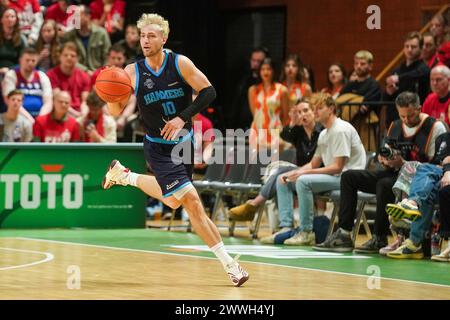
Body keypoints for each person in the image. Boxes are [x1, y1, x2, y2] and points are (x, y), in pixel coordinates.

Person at [100, 13, 249, 287]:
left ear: (163, 38)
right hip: (158, 148)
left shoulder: (179, 63)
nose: (145, 40)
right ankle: (231, 265)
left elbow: (208, 92)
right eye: (142, 36)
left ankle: (124, 176)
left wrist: (183, 117)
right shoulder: (132, 72)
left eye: (151, 36)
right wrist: (109, 92)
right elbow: (115, 110)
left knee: (173, 201)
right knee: (192, 201)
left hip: (185, 145)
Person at [314, 92, 447, 253]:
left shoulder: (435, 127)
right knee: (349, 177)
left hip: (418, 179)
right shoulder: (396, 125)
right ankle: (344, 234)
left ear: (419, 109)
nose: (405, 120)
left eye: (410, 116)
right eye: (402, 116)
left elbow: (435, 166)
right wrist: (384, 160)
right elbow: (384, 152)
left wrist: (403, 163)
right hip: (394, 172)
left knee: (384, 184)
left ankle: (379, 237)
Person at [273, 93, 366, 246]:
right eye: (315, 108)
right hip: (336, 177)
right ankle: (286, 226)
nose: (316, 112)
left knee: (303, 181)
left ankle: (306, 231)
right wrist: (293, 173)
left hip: (348, 178)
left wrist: (303, 173)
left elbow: (338, 167)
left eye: (320, 108)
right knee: (282, 180)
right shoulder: (324, 133)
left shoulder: (340, 129)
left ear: (331, 109)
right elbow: (314, 164)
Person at [228, 98, 323, 225]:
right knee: (281, 176)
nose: (302, 115)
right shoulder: (298, 132)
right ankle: (284, 225)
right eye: (299, 112)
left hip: (318, 171)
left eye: (305, 110)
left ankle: (254, 205)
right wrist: (293, 122)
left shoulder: (322, 132)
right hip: (302, 171)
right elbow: (285, 135)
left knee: (282, 173)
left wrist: (298, 171)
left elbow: (317, 163)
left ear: (314, 112)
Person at [384, 132, 450, 259]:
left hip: (447, 174)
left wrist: (447, 171)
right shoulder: (442, 138)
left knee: (424, 169)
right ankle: (413, 243)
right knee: (426, 188)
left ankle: (410, 207)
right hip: (443, 178)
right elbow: (438, 162)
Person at [383, 32, 430, 127]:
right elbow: (385, 99)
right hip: (394, 119)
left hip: (413, 120)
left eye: (413, 47)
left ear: (421, 49)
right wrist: (388, 92)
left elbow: (417, 74)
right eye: (407, 46)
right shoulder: (397, 69)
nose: (409, 49)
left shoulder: (423, 69)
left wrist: (399, 78)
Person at [337, 50, 381, 151]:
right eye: (356, 63)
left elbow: (364, 107)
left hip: (366, 129)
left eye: (362, 63)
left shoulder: (374, 85)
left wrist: (350, 101)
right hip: (348, 128)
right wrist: (358, 101)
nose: (358, 66)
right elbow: (339, 101)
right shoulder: (349, 85)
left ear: (370, 66)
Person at [248, 57, 289, 151]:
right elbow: (254, 113)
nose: (265, 72)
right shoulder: (252, 90)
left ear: (273, 71)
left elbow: (286, 116)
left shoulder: (282, 90)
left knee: (275, 162)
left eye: (268, 69)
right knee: (258, 163)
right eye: (263, 69)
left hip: (275, 130)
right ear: (259, 71)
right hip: (258, 129)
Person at [2, 47, 53, 120]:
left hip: (40, 116)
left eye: (33, 60)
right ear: (20, 60)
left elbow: (48, 102)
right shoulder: (11, 75)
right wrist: (30, 120)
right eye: (27, 60)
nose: (30, 63)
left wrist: (40, 119)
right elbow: (9, 101)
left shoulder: (42, 76)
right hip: (17, 117)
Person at [47, 41, 91, 118]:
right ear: (60, 56)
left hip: (79, 112)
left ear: (78, 58)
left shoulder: (84, 76)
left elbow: (85, 101)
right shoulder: (51, 75)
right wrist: (75, 115)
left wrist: (83, 114)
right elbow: (58, 99)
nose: (69, 58)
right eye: (65, 55)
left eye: (72, 56)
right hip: (60, 112)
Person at [228, 47, 268, 130]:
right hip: (242, 125)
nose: (256, 63)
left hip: (263, 125)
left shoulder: (268, 82)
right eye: (253, 60)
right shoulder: (243, 78)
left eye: (259, 61)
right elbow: (236, 103)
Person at [62, 5, 111, 72]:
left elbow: (107, 57)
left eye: (77, 16)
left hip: (99, 73)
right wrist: (86, 71)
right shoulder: (69, 36)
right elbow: (68, 58)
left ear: (88, 17)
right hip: (78, 73)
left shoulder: (101, 33)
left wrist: (103, 72)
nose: (74, 19)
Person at [0, 8, 26, 72]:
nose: (10, 19)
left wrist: (10, 69)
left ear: (16, 20)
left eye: (12, 16)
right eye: (7, 16)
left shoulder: (21, 39)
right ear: (1, 20)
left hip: (14, 72)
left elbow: (23, 61)